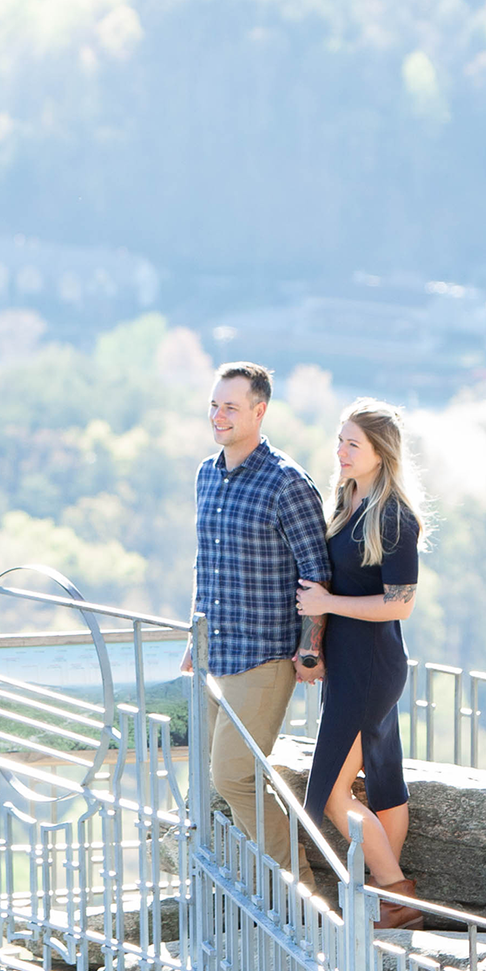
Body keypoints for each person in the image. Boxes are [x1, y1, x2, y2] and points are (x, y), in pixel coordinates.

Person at [178, 361, 328, 874]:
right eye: (215, 405)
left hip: (264, 655)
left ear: (259, 411)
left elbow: (316, 572)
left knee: (235, 776)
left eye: (231, 407)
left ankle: (303, 899)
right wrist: (192, 636)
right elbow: (207, 562)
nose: (219, 416)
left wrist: (310, 649)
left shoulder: (287, 482)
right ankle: (249, 887)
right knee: (210, 773)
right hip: (212, 652)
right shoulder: (206, 473)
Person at [295, 398, 427, 931]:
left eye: (354, 443)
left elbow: (402, 603)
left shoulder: (393, 516)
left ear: (380, 453)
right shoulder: (346, 499)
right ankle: (386, 900)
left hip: (371, 664)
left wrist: (328, 607)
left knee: (328, 792)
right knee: (385, 781)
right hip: (354, 662)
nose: (341, 451)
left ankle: (396, 900)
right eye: (340, 440)